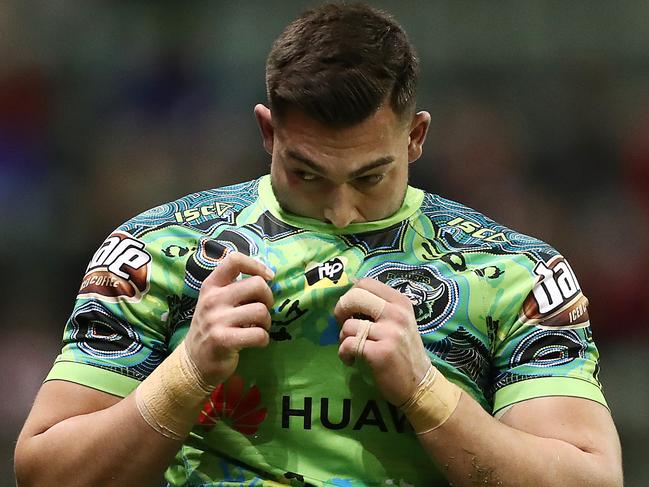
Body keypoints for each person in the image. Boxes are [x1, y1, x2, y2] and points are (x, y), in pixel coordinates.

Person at [15, 3, 623, 486]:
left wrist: (425, 392)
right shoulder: (157, 251)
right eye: (307, 174)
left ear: (415, 137)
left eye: (369, 177)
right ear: (266, 130)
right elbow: (45, 472)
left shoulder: (516, 271)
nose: (340, 209)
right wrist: (187, 372)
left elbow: (589, 479)